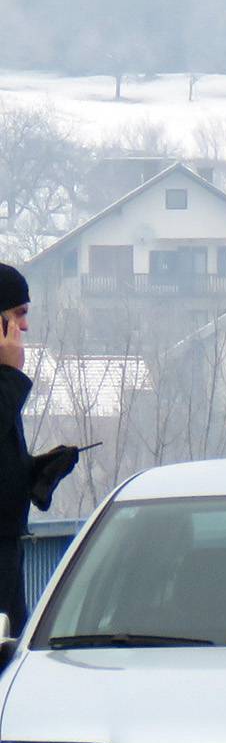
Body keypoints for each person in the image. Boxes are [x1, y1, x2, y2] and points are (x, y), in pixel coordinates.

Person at [0, 264, 81, 642]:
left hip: (8, 557)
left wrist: (35, 471)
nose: (25, 327)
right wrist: (11, 376)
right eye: (18, 314)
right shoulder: (6, 380)